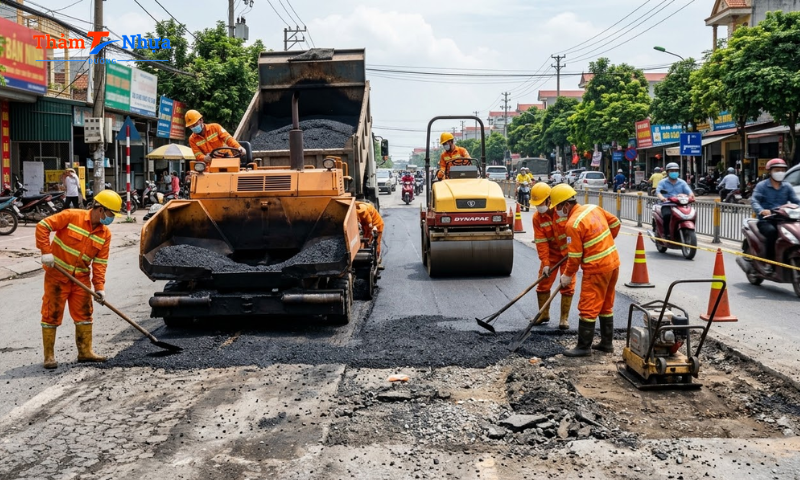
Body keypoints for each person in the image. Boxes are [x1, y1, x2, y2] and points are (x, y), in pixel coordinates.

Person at [36, 190, 122, 369]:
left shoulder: (105, 234)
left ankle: (85, 352)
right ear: (100, 209)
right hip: (57, 276)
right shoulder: (71, 216)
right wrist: (46, 252)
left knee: (84, 314)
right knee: (51, 314)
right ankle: (49, 356)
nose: (111, 219)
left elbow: (100, 263)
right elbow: (43, 226)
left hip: (81, 280)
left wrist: (99, 288)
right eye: (111, 214)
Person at [550, 184, 621, 357]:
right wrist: (602, 243)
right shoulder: (593, 208)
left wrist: (567, 275)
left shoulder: (572, 224)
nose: (557, 211)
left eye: (558, 207)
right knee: (605, 304)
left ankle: (583, 347)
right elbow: (616, 223)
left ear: (566, 205)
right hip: (613, 263)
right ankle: (606, 343)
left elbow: (574, 257)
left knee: (588, 306)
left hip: (596, 269)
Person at [530, 182, 575, 330]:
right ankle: (543, 314)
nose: (539, 207)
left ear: (549, 200)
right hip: (551, 255)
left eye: (541, 203)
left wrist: (574, 254)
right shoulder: (537, 218)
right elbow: (541, 242)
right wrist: (546, 263)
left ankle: (564, 319)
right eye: (536, 204)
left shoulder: (562, 210)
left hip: (568, 255)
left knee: (567, 285)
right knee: (543, 283)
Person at [750, 158, 800, 273]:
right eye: (777, 170)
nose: (780, 172)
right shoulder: (762, 186)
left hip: (784, 219)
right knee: (772, 233)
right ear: (770, 171)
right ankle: (769, 263)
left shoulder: (787, 186)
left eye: (782, 170)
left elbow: (796, 201)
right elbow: (754, 201)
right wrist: (762, 211)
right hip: (766, 220)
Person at [656, 163, 695, 239]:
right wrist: (662, 198)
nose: (674, 172)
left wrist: (692, 197)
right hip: (667, 204)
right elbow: (658, 192)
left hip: (680, 204)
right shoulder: (662, 182)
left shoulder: (682, 182)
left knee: (690, 215)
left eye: (676, 171)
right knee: (667, 215)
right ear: (667, 172)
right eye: (672, 171)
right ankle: (666, 233)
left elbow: (689, 192)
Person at [355, 201, 385, 267]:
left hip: (377, 225)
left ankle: (377, 260)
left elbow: (370, 225)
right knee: (365, 240)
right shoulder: (357, 208)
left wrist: (370, 236)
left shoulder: (364, 212)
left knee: (376, 242)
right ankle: (364, 255)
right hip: (366, 226)